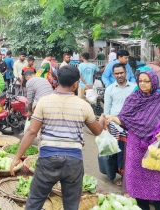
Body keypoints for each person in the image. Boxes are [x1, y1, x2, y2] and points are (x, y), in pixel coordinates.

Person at [10, 65, 106, 210]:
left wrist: (17, 157)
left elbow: (31, 131)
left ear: (57, 80)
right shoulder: (84, 105)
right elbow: (97, 131)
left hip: (48, 158)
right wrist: (102, 120)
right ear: (75, 84)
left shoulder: (44, 101)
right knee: (71, 204)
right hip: (74, 161)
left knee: (35, 201)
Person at [106, 70, 160, 210]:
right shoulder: (133, 98)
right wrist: (112, 118)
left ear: (153, 81)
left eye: (146, 81)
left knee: (158, 177)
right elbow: (124, 119)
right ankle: (140, 206)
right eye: (140, 81)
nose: (143, 84)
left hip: (156, 146)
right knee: (137, 179)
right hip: (136, 146)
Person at [103, 63, 137, 184]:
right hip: (115, 126)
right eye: (116, 73)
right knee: (117, 152)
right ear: (113, 75)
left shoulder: (134, 88)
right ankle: (120, 175)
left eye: (121, 73)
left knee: (130, 153)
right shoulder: (110, 89)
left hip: (132, 126)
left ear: (126, 73)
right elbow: (107, 110)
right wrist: (105, 124)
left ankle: (127, 177)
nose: (119, 75)